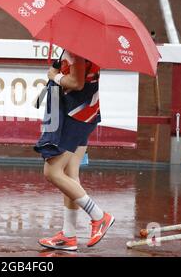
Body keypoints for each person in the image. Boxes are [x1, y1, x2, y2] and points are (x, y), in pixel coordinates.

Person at [34, 50, 114, 251]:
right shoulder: (86, 43)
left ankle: (99, 216)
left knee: (52, 172)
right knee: (70, 174)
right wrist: (58, 66)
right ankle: (68, 236)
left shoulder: (76, 48)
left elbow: (77, 83)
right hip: (87, 114)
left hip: (74, 116)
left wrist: (55, 76)